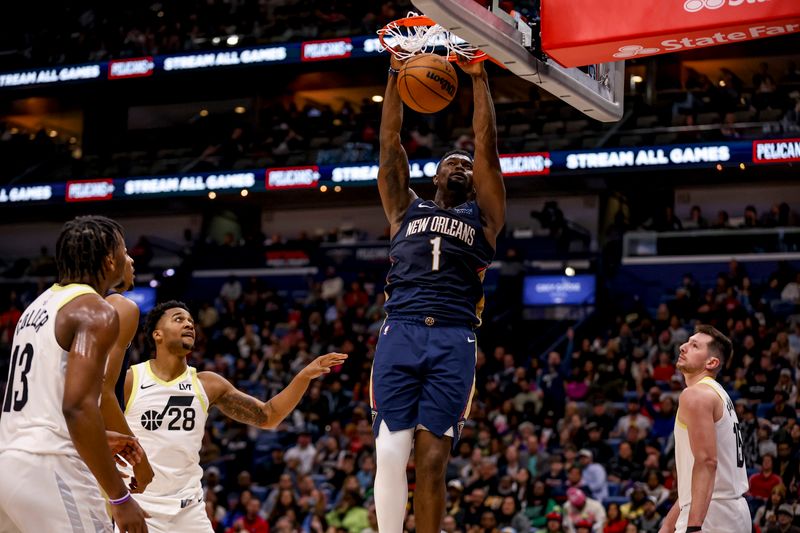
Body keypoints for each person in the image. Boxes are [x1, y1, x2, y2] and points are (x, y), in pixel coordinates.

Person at [372, 50, 505, 533]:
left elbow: (487, 146)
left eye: (467, 165)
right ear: (434, 175)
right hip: (401, 330)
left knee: (430, 464)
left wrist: (478, 77)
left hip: (453, 338)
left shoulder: (484, 219)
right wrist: (393, 73)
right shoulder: (403, 208)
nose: (462, 166)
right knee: (389, 450)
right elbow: (389, 143)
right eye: (452, 161)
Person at [121, 300, 347, 532]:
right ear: (157, 334)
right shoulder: (131, 380)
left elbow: (268, 416)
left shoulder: (208, 384)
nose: (189, 324)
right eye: (179, 319)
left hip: (188, 512)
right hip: (141, 506)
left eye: (191, 321)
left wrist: (303, 377)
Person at [0, 216, 148, 532]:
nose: (128, 258)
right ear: (110, 260)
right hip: (52, 469)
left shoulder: (36, 307)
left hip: (9, 462)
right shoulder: (95, 310)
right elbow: (77, 407)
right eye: (124, 250)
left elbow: (44, 405)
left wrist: (99, 436)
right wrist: (120, 499)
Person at [658, 325, 750, 533]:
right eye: (687, 342)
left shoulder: (696, 395)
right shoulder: (719, 395)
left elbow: (707, 462)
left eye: (694, 346)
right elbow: (698, 478)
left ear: (712, 362)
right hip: (727, 510)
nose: (683, 347)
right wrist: (668, 525)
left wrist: (694, 527)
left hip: (711, 516)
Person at [102, 252, 155, 493]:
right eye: (125, 252)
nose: (133, 260)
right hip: (67, 452)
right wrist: (139, 460)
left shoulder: (52, 303)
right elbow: (101, 389)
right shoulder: (120, 307)